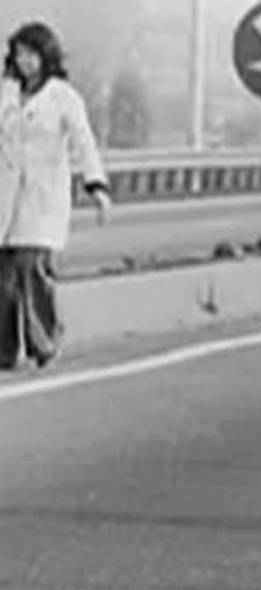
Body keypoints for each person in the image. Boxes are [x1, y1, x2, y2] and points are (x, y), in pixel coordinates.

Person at [0, 21, 111, 370]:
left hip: (42, 199)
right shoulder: (5, 93)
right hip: (5, 197)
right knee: (3, 280)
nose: (25, 62)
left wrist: (96, 184)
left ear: (47, 56)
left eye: (32, 54)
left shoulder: (63, 96)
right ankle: (3, 351)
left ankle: (43, 342)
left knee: (33, 270)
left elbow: (83, 141)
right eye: (19, 54)